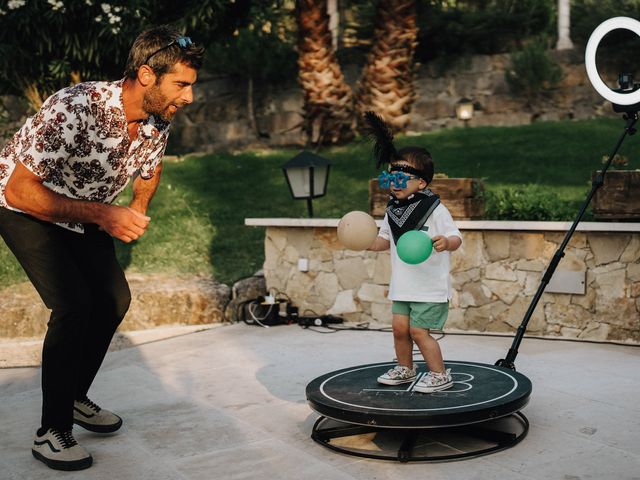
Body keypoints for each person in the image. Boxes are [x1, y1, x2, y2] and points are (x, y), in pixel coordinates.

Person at [0, 25, 204, 471]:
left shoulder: (158, 117)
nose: (188, 97)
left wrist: (135, 207)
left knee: (113, 300)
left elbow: (149, 169)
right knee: (73, 305)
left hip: (88, 211)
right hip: (24, 209)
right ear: (147, 75)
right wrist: (103, 215)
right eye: (182, 85)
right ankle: (50, 433)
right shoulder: (77, 107)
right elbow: (20, 191)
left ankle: (73, 397)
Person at [364, 112, 462, 394]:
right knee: (399, 330)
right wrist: (365, 242)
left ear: (421, 183)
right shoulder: (392, 211)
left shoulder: (435, 209)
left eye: (401, 177)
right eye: (390, 176)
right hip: (403, 286)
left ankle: (440, 374)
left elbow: (456, 237)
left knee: (420, 332)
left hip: (428, 287)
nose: (394, 182)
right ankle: (406, 368)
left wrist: (447, 242)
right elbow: (384, 240)